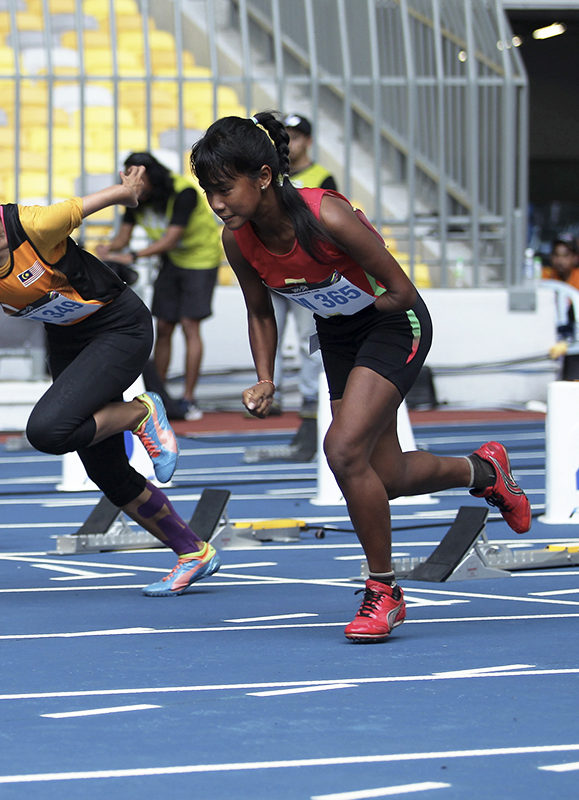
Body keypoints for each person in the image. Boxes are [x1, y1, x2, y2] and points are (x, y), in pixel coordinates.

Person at [190, 111, 531, 642]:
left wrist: (359, 315)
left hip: (394, 319)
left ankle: (384, 591)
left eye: (224, 189)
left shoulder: (328, 216)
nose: (217, 203)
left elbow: (400, 289)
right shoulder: (237, 240)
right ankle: (485, 472)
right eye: (208, 192)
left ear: (261, 176)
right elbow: (261, 312)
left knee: (343, 449)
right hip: (340, 335)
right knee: (386, 475)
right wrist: (266, 378)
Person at [0, 129, 218, 598]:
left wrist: (129, 188)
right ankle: (193, 552)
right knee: (105, 469)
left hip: (118, 327)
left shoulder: (35, 224)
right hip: (69, 339)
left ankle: (141, 412)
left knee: (48, 431)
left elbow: (102, 200)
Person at [96, 152, 222, 422]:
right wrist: (107, 249)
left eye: (138, 178)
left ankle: (188, 398)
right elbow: (123, 237)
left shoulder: (182, 193)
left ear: (151, 176)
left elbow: (170, 239)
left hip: (200, 259)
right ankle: (159, 395)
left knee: (190, 324)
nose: (134, 183)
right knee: (163, 326)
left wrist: (131, 256)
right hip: (172, 262)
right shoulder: (135, 196)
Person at [271, 114, 335, 423]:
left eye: (295, 137)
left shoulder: (323, 176)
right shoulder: (269, 175)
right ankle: (271, 393)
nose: (289, 142)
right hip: (272, 269)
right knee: (271, 334)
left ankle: (311, 394)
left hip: (309, 273)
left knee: (311, 339)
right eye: (286, 136)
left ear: (308, 141)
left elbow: (332, 218)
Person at [544, 234, 579, 379]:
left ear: (575, 258)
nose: (560, 261)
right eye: (557, 255)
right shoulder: (545, 276)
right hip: (549, 335)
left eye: (565, 256)